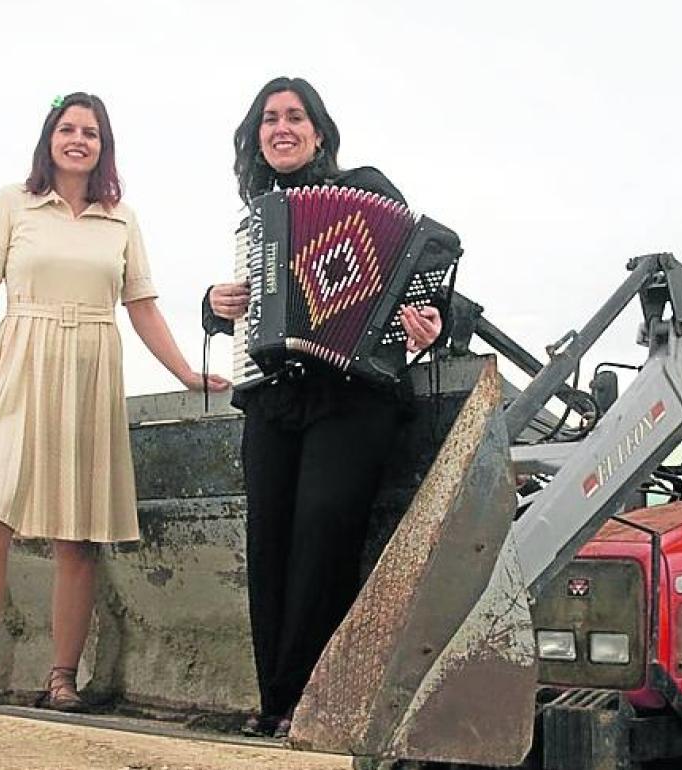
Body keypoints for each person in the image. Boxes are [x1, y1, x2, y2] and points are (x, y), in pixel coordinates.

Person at [0, 92, 229, 712]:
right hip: (19, 359)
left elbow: (142, 309)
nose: (78, 139)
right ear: (49, 139)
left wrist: (188, 372)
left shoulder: (122, 219)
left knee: (77, 533)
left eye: (90, 131)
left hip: (90, 367)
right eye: (67, 128)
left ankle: (62, 678)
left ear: (103, 146)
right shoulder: (12, 203)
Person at [203, 77, 444, 738]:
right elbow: (242, 305)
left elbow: (420, 277)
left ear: (318, 130)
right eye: (269, 119)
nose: (282, 127)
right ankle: (275, 700)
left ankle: (311, 700)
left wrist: (429, 320)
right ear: (257, 136)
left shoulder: (368, 187)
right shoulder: (258, 215)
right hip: (275, 396)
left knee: (322, 532)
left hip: (353, 394)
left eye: (295, 116)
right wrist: (215, 304)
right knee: (269, 543)